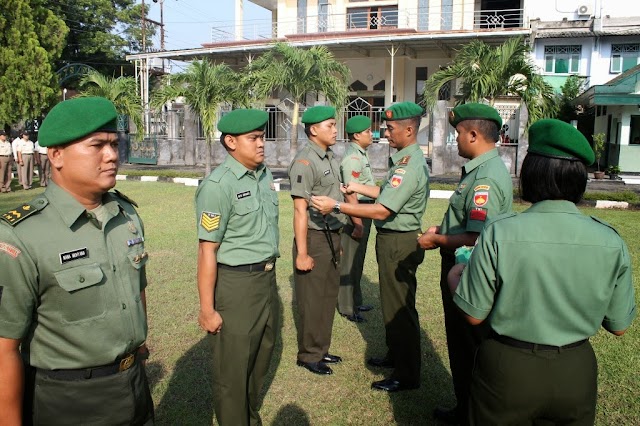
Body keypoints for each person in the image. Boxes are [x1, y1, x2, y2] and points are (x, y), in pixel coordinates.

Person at [451, 118, 636, 425]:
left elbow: (474, 315)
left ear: (530, 174)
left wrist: (455, 277)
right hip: (575, 372)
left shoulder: (499, 232)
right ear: (579, 180)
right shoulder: (610, 241)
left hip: (508, 368)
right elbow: (619, 326)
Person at [0, 97, 154, 425]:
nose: (112, 155)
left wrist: (139, 346)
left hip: (135, 385)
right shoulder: (21, 236)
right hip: (70, 400)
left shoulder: (125, 215)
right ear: (56, 155)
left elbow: (137, 288)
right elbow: (4, 350)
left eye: (114, 144)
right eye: (97, 145)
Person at [312, 101, 429, 392]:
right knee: (393, 304)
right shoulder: (403, 160)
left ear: (409, 130)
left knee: (399, 307)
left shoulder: (409, 164)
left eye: (390, 129)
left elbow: (382, 210)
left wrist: (336, 204)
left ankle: (406, 374)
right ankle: (396, 356)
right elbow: (385, 192)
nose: (385, 134)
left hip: (398, 242)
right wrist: (357, 188)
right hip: (394, 240)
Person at [416, 103, 513, 425]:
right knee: (462, 344)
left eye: (458, 133)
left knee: (467, 346)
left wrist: (437, 241)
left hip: (469, 273)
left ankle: (471, 412)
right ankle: (465, 407)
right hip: (465, 269)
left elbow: (478, 237)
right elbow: (466, 225)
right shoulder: (481, 170)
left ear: (473, 134)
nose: (455, 140)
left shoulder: (485, 179)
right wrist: (441, 230)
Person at [195, 109, 280, 426]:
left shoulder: (263, 174)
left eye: (262, 137)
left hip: (265, 282)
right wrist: (207, 308)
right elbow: (207, 250)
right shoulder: (218, 185)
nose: (261, 144)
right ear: (231, 141)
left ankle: (248, 417)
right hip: (236, 285)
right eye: (254, 138)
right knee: (232, 371)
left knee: (260, 357)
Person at [288, 105, 349, 376]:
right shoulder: (305, 161)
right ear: (313, 130)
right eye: (330, 126)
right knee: (312, 299)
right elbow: (300, 210)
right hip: (313, 238)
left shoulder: (330, 157)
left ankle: (322, 349)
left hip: (332, 235)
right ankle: (309, 354)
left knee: (327, 296)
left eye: (335, 125)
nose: (336, 130)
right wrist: (302, 253)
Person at [338, 115, 376, 323]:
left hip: (364, 210)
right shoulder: (353, 158)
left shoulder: (360, 153)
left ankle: (356, 299)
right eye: (368, 131)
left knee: (358, 259)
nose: (372, 134)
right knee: (350, 261)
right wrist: (358, 223)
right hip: (357, 212)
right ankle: (346, 306)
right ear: (356, 135)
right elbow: (349, 192)